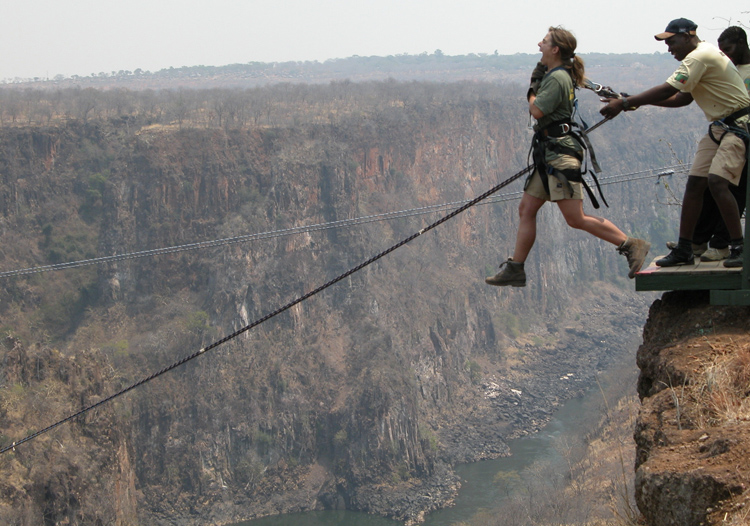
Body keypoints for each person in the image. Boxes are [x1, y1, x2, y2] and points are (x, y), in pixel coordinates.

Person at [485, 26, 650, 287]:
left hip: (560, 154)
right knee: (527, 209)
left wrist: (531, 90)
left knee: (575, 218)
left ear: (555, 49)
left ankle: (630, 244)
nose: (539, 44)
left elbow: (537, 111)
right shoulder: (557, 74)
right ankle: (516, 267)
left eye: (544, 41)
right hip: (549, 153)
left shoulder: (558, 78)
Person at [601, 18, 750, 268]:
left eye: (672, 42)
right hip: (720, 126)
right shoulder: (702, 57)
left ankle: (738, 247)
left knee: (717, 182)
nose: (669, 48)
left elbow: (667, 89)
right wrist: (634, 101)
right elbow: (682, 99)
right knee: (695, 183)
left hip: (738, 126)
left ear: (688, 36)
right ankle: (685, 248)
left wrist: (626, 103)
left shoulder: (699, 57)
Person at [672, 26, 750, 262]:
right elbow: (685, 95)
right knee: (703, 185)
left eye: (729, 49)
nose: (727, 54)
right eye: (723, 51)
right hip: (722, 128)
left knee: (729, 188)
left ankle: (724, 244)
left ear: (742, 43)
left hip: (741, 130)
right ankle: (696, 242)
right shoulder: (726, 67)